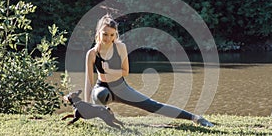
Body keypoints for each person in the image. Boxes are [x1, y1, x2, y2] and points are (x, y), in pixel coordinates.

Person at [84, 14, 214, 127]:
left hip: (121, 87)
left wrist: (110, 70)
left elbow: (125, 71)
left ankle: (196, 118)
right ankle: (104, 113)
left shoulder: (120, 47)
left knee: (153, 106)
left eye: (112, 35)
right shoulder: (92, 54)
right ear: (99, 33)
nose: (108, 38)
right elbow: (88, 82)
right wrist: (85, 107)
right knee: (100, 94)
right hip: (102, 88)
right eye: (105, 34)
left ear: (115, 34)